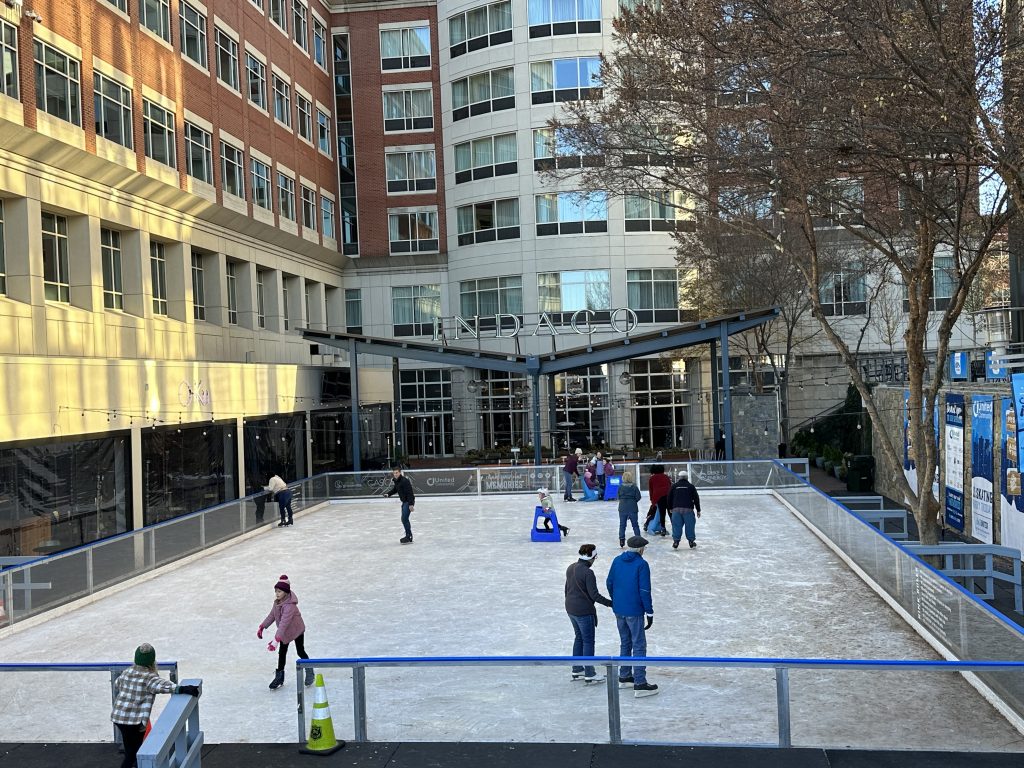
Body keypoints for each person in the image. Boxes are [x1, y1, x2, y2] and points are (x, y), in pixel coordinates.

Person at [111, 643, 200, 768]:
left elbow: (117, 683)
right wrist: (183, 689)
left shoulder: (127, 672)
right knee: (133, 754)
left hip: (119, 718)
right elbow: (164, 686)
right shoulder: (149, 677)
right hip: (134, 722)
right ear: (152, 661)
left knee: (131, 750)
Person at [606, 536, 657, 697]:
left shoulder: (617, 560)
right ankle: (640, 683)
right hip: (634, 611)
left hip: (619, 609)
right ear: (640, 549)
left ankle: (625, 675)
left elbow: (609, 582)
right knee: (639, 644)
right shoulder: (641, 564)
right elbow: (644, 591)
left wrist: (617, 601)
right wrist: (649, 612)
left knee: (625, 642)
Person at [565, 543, 613, 683]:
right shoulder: (588, 572)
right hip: (583, 611)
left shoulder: (571, 567)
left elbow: (566, 589)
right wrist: (611, 603)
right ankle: (589, 673)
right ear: (591, 556)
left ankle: (577, 668)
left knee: (578, 638)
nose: (594, 560)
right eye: (595, 557)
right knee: (588, 641)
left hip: (570, 609)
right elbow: (594, 595)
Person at [258, 575, 315, 690]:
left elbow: (283, 623)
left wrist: (276, 640)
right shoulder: (277, 602)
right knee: (282, 653)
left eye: (279, 591)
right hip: (285, 632)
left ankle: (310, 672)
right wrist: (262, 626)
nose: (277, 593)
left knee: (300, 651)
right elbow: (272, 615)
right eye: (276, 591)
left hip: (296, 630)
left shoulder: (289, 606)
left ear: (285, 592)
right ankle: (279, 678)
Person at [668, 469, 702, 549]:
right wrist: (698, 510)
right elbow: (696, 499)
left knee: (676, 526)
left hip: (676, 509)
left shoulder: (674, 486)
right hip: (688, 509)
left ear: (679, 477)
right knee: (690, 525)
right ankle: (691, 541)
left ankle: (676, 541)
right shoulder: (691, 486)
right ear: (687, 477)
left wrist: (670, 507)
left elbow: (669, 498)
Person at [385, 466, 415, 544]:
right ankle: (409, 535)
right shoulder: (396, 481)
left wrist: (411, 504)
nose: (395, 474)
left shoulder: (405, 481)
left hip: (408, 502)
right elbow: (395, 489)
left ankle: (409, 536)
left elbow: (410, 493)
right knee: (404, 519)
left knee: (404, 519)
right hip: (404, 502)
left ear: (400, 472)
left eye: (397, 473)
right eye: (394, 473)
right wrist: (388, 494)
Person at [617, 471, 642, 547]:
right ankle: (638, 540)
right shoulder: (634, 487)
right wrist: (633, 501)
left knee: (622, 525)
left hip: (623, 507)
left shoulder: (620, 487)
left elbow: (618, 497)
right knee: (635, 525)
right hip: (632, 507)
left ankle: (622, 540)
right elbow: (638, 497)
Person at [646, 464, 671, 537]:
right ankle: (675, 528)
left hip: (659, 497)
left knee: (662, 513)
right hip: (668, 496)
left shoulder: (652, 478)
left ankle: (663, 528)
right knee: (670, 513)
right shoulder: (666, 477)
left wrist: (652, 501)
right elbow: (670, 486)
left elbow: (651, 490)